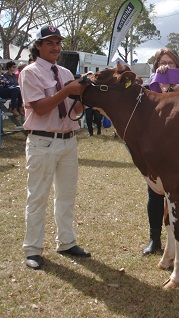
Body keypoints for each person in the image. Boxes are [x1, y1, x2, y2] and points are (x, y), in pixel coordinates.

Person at [19, 25, 90, 270]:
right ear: (38, 46)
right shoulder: (30, 73)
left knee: (67, 196)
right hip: (42, 141)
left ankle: (67, 242)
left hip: (68, 140)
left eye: (58, 42)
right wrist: (67, 90)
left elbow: (74, 109)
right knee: (38, 197)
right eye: (49, 42)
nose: (56, 47)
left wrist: (83, 98)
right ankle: (33, 249)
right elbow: (39, 107)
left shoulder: (65, 72)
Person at [143, 48, 179, 255]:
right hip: (154, 152)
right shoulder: (149, 89)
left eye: (171, 63)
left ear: (177, 66)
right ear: (156, 66)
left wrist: (176, 84)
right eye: (163, 63)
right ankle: (154, 239)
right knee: (155, 196)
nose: (167, 66)